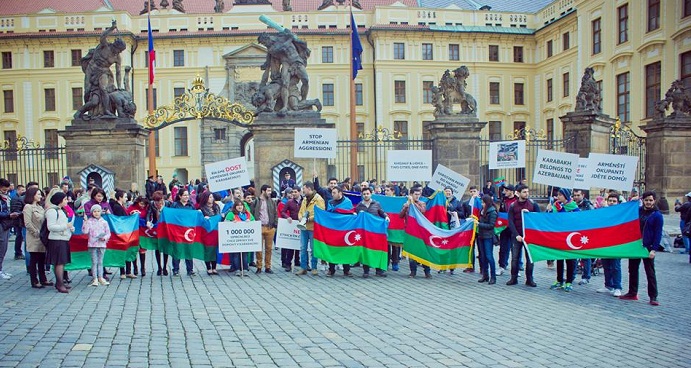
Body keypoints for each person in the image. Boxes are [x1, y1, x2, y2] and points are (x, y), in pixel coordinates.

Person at [620, 191, 662, 306]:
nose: (648, 202)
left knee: (650, 272)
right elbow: (626, 212)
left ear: (654, 201)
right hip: (635, 245)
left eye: (650, 200)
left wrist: (654, 249)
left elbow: (658, 234)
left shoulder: (657, 215)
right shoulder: (638, 211)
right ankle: (632, 293)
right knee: (632, 269)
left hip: (647, 247)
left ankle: (653, 296)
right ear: (643, 200)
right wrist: (632, 202)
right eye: (646, 200)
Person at [506, 184, 539, 287]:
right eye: (524, 192)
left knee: (530, 258)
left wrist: (529, 214)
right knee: (515, 258)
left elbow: (539, 218)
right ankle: (513, 278)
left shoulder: (533, 204)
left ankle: (529, 279)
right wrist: (516, 235)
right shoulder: (513, 206)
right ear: (518, 193)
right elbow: (510, 222)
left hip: (529, 236)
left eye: (527, 192)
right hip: (517, 236)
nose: (527, 194)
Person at [547, 188, 580, 292]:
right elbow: (552, 219)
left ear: (566, 196)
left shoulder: (574, 207)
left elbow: (572, 219)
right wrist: (549, 210)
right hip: (559, 236)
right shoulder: (555, 205)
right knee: (559, 259)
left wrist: (561, 210)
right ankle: (559, 280)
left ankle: (569, 281)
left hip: (570, 236)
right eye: (557, 195)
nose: (558, 197)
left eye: (560, 195)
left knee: (570, 260)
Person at [45, 192, 75, 293]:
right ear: (60, 200)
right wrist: (65, 226)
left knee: (62, 262)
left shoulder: (61, 210)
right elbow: (51, 227)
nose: (67, 201)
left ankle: (60, 282)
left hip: (63, 238)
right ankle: (59, 283)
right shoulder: (52, 211)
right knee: (59, 263)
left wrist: (70, 228)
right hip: (56, 239)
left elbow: (63, 223)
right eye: (65, 199)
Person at [23, 187, 52, 288]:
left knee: (42, 259)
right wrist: (36, 233)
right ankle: (34, 280)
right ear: (33, 195)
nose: (40, 196)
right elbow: (27, 223)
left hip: (42, 237)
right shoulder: (28, 207)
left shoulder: (40, 207)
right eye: (38, 194)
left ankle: (43, 279)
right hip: (34, 237)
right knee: (34, 259)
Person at [357, 187, 389, 278]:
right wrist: (359, 214)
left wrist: (386, 217)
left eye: (367, 193)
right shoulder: (359, 206)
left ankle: (378, 270)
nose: (366, 195)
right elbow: (357, 218)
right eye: (364, 194)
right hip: (365, 233)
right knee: (365, 251)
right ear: (362, 195)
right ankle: (366, 270)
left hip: (375, 231)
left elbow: (382, 212)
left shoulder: (376, 203)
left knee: (376, 249)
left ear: (371, 194)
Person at [295, 181, 325, 276]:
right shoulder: (304, 199)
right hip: (304, 227)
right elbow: (300, 211)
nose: (303, 190)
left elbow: (320, 213)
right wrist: (300, 217)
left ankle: (314, 267)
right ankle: (303, 267)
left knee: (313, 248)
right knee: (303, 247)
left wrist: (308, 219)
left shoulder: (319, 199)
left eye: (304, 188)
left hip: (313, 227)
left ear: (309, 188)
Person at [597, 193, 623, 297]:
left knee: (615, 266)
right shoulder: (604, 212)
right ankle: (608, 285)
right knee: (606, 265)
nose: (611, 203)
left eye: (614, 201)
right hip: (605, 243)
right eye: (610, 201)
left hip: (617, 244)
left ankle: (617, 287)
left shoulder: (622, 212)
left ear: (618, 202)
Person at [400, 186, 430, 278]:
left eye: (418, 194)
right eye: (415, 194)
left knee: (424, 251)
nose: (417, 196)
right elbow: (400, 215)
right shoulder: (407, 204)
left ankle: (427, 271)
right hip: (410, 231)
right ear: (411, 195)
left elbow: (422, 211)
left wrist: (412, 203)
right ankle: (413, 271)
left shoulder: (422, 203)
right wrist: (407, 205)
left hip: (420, 231)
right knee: (412, 252)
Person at [326, 186, 355, 277]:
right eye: (332, 192)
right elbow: (328, 215)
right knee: (332, 249)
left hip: (345, 229)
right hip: (334, 229)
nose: (332, 194)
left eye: (334, 193)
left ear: (340, 193)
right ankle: (331, 269)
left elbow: (350, 214)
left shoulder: (348, 202)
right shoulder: (330, 202)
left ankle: (346, 270)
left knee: (345, 248)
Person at [250, 185, 277, 274]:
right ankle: (259, 266)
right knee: (259, 249)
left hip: (269, 227)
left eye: (270, 191)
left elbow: (275, 213)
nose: (270, 192)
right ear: (263, 191)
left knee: (269, 248)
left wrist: (275, 225)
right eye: (268, 191)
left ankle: (268, 266)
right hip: (259, 226)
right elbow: (251, 213)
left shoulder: (272, 202)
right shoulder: (256, 201)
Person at [82, 204, 111, 286]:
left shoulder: (104, 222)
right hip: (92, 244)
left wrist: (104, 238)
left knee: (100, 261)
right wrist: (85, 222)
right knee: (94, 262)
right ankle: (95, 278)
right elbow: (85, 231)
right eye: (94, 211)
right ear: (92, 212)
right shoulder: (89, 221)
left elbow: (108, 233)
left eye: (98, 211)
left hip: (101, 244)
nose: (96, 213)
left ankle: (101, 277)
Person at [170, 189, 196, 277]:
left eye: (187, 195)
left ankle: (190, 269)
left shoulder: (191, 205)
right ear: (180, 196)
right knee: (177, 250)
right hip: (177, 231)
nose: (186, 197)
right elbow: (171, 217)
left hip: (188, 231)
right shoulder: (175, 205)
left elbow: (194, 217)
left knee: (189, 250)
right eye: (184, 195)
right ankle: (176, 269)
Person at [225, 199, 254, 276]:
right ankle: (237, 269)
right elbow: (225, 224)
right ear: (235, 207)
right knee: (236, 255)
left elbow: (254, 222)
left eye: (241, 205)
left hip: (244, 239)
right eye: (238, 205)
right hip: (235, 239)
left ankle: (244, 268)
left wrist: (249, 222)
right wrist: (231, 223)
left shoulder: (247, 214)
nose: (240, 207)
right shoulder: (231, 214)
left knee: (244, 254)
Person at [573, 189, 595, 285]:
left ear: (583, 195)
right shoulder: (572, 205)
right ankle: (572, 275)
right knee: (573, 255)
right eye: (574, 195)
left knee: (585, 256)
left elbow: (592, 219)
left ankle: (586, 277)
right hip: (574, 232)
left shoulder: (588, 206)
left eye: (578, 195)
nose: (576, 197)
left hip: (585, 234)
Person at [0, 178, 20, 280]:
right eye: (4, 190)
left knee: (4, 248)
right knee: (2, 247)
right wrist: (9, 215)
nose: (5, 192)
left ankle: (1, 269)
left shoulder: (6, 197)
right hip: (2, 224)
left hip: (6, 224)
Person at [477, 194, 498, 284]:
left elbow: (491, 225)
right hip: (481, 235)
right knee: (483, 256)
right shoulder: (482, 210)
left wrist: (479, 224)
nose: (482, 204)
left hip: (488, 236)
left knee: (489, 256)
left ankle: (493, 277)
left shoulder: (492, 212)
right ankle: (485, 275)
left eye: (483, 202)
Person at [198, 191, 221, 275]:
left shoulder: (216, 206)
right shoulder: (202, 208)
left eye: (212, 197)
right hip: (207, 231)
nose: (211, 199)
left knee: (215, 249)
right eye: (209, 197)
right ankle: (208, 267)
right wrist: (204, 217)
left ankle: (214, 267)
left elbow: (218, 216)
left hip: (216, 230)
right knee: (208, 249)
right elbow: (199, 220)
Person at [497, 184, 517, 276]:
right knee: (503, 248)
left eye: (507, 190)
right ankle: (502, 266)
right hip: (504, 227)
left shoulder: (517, 200)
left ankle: (515, 268)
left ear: (512, 192)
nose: (505, 192)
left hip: (515, 228)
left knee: (515, 249)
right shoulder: (503, 200)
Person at [127, 196, 149, 277]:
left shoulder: (146, 209)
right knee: (134, 249)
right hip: (133, 231)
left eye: (144, 204)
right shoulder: (131, 207)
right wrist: (132, 214)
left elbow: (148, 217)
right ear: (137, 202)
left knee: (142, 249)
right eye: (141, 204)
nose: (142, 206)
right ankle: (135, 267)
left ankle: (143, 268)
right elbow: (127, 216)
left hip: (142, 232)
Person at [280, 187, 301, 272]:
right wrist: (287, 217)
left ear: (300, 192)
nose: (294, 194)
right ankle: (288, 264)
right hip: (292, 224)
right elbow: (283, 211)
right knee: (291, 246)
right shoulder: (289, 202)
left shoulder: (304, 201)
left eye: (295, 192)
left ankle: (300, 262)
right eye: (292, 192)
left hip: (301, 224)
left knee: (302, 246)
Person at [148, 191, 168, 276]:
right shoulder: (152, 204)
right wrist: (148, 221)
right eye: (156, 201)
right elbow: (149, 213)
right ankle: (159, 267)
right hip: (156, 227)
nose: (158, 203)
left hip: (165, 227)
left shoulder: (167, 204)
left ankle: (165, 267)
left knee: (165, 248)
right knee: (157, 248)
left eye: (160, 201)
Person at [462, 185, 481, 273]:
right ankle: (470, 266)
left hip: (480, 227)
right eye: (471, 191)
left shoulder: (481, 201)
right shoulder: (466, 203)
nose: (473, 193)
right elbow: (463, 215)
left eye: (474, 191)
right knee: (470, 247)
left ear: (477, 192)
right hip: (470, 227)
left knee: (481, 248)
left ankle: (482, 268)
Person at [10, 184, 26, 260]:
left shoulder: (19, 198)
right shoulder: (15, 198)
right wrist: (22, 213)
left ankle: (18, 252)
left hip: (19, 220)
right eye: (22, 190)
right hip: (18, 221)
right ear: (18, 190)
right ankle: (17, 253)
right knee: (19, 237)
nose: (23, 191)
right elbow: (15, 210)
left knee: (20, 237)